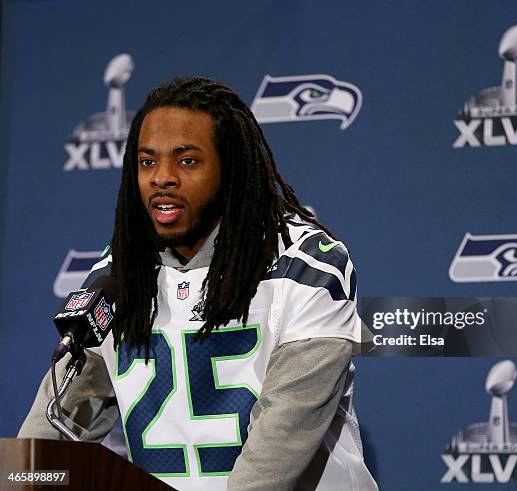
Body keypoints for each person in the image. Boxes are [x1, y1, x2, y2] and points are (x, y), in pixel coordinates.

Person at [18, 76, 377, 491]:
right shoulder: (120, 276)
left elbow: (280, 444)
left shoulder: (309, 267)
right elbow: (54, 432)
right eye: (147, 162)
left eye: (187, 161)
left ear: (231, 168)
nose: (162, 178)